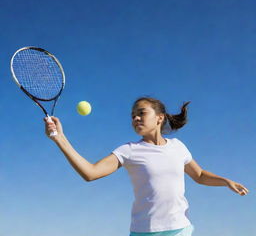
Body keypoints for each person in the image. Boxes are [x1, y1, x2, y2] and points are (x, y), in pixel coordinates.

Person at [44, 97, 249, 236]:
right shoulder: (129, 150)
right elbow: (90, 173)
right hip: (144, 231)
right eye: (133, 115)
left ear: (159, 118)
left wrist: (226, 182)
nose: (135, 118)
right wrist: (60, 139)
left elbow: (200, 175)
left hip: (180, 228)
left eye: (141, 113)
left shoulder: (178, 147)